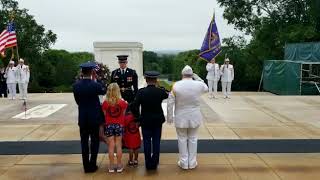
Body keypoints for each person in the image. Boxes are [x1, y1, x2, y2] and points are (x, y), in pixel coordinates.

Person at [167, 65, 208, 170]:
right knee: (193, 139)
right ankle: (192, 162)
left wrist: (170, 118)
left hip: (181, 117)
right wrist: (198, 78)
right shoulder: (199, 84)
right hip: (195, 116)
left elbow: (170, 103)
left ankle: (184, 163)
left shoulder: (176, 85)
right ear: (192, 74)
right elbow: (206, 88)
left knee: (182, 139)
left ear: (182, 74)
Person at [130, 71, 168, 170]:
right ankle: (154, 163)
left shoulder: (141, 92)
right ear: (156, 80)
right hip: (157, 121)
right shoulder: (160, 92)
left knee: (146, 142)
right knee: (156, 142)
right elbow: (167, 93)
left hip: (145, 120)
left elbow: (134, 106)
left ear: (146, 80)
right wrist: (160, 86)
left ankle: (148, 163)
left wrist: (137, 118)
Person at [72, 61, 106, 173]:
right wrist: (98, 78)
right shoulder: (95, 85)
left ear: (82, 72)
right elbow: (104, 90)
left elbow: (77, 101)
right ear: (92, 72)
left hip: (83, 118)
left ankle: (86, 166)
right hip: (94, 118)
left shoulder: (76, 85)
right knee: (94, 142)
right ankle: (93, 164)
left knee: (84, 142)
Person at [101, 83, 128, 173]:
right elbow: (123, 114)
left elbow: (105, 115)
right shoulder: (122, 103)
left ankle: (111, 166)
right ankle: (119, 165)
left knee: (111, 146)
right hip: (119, 125)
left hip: (109, 125)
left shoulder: (105, 103)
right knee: (118, 145)